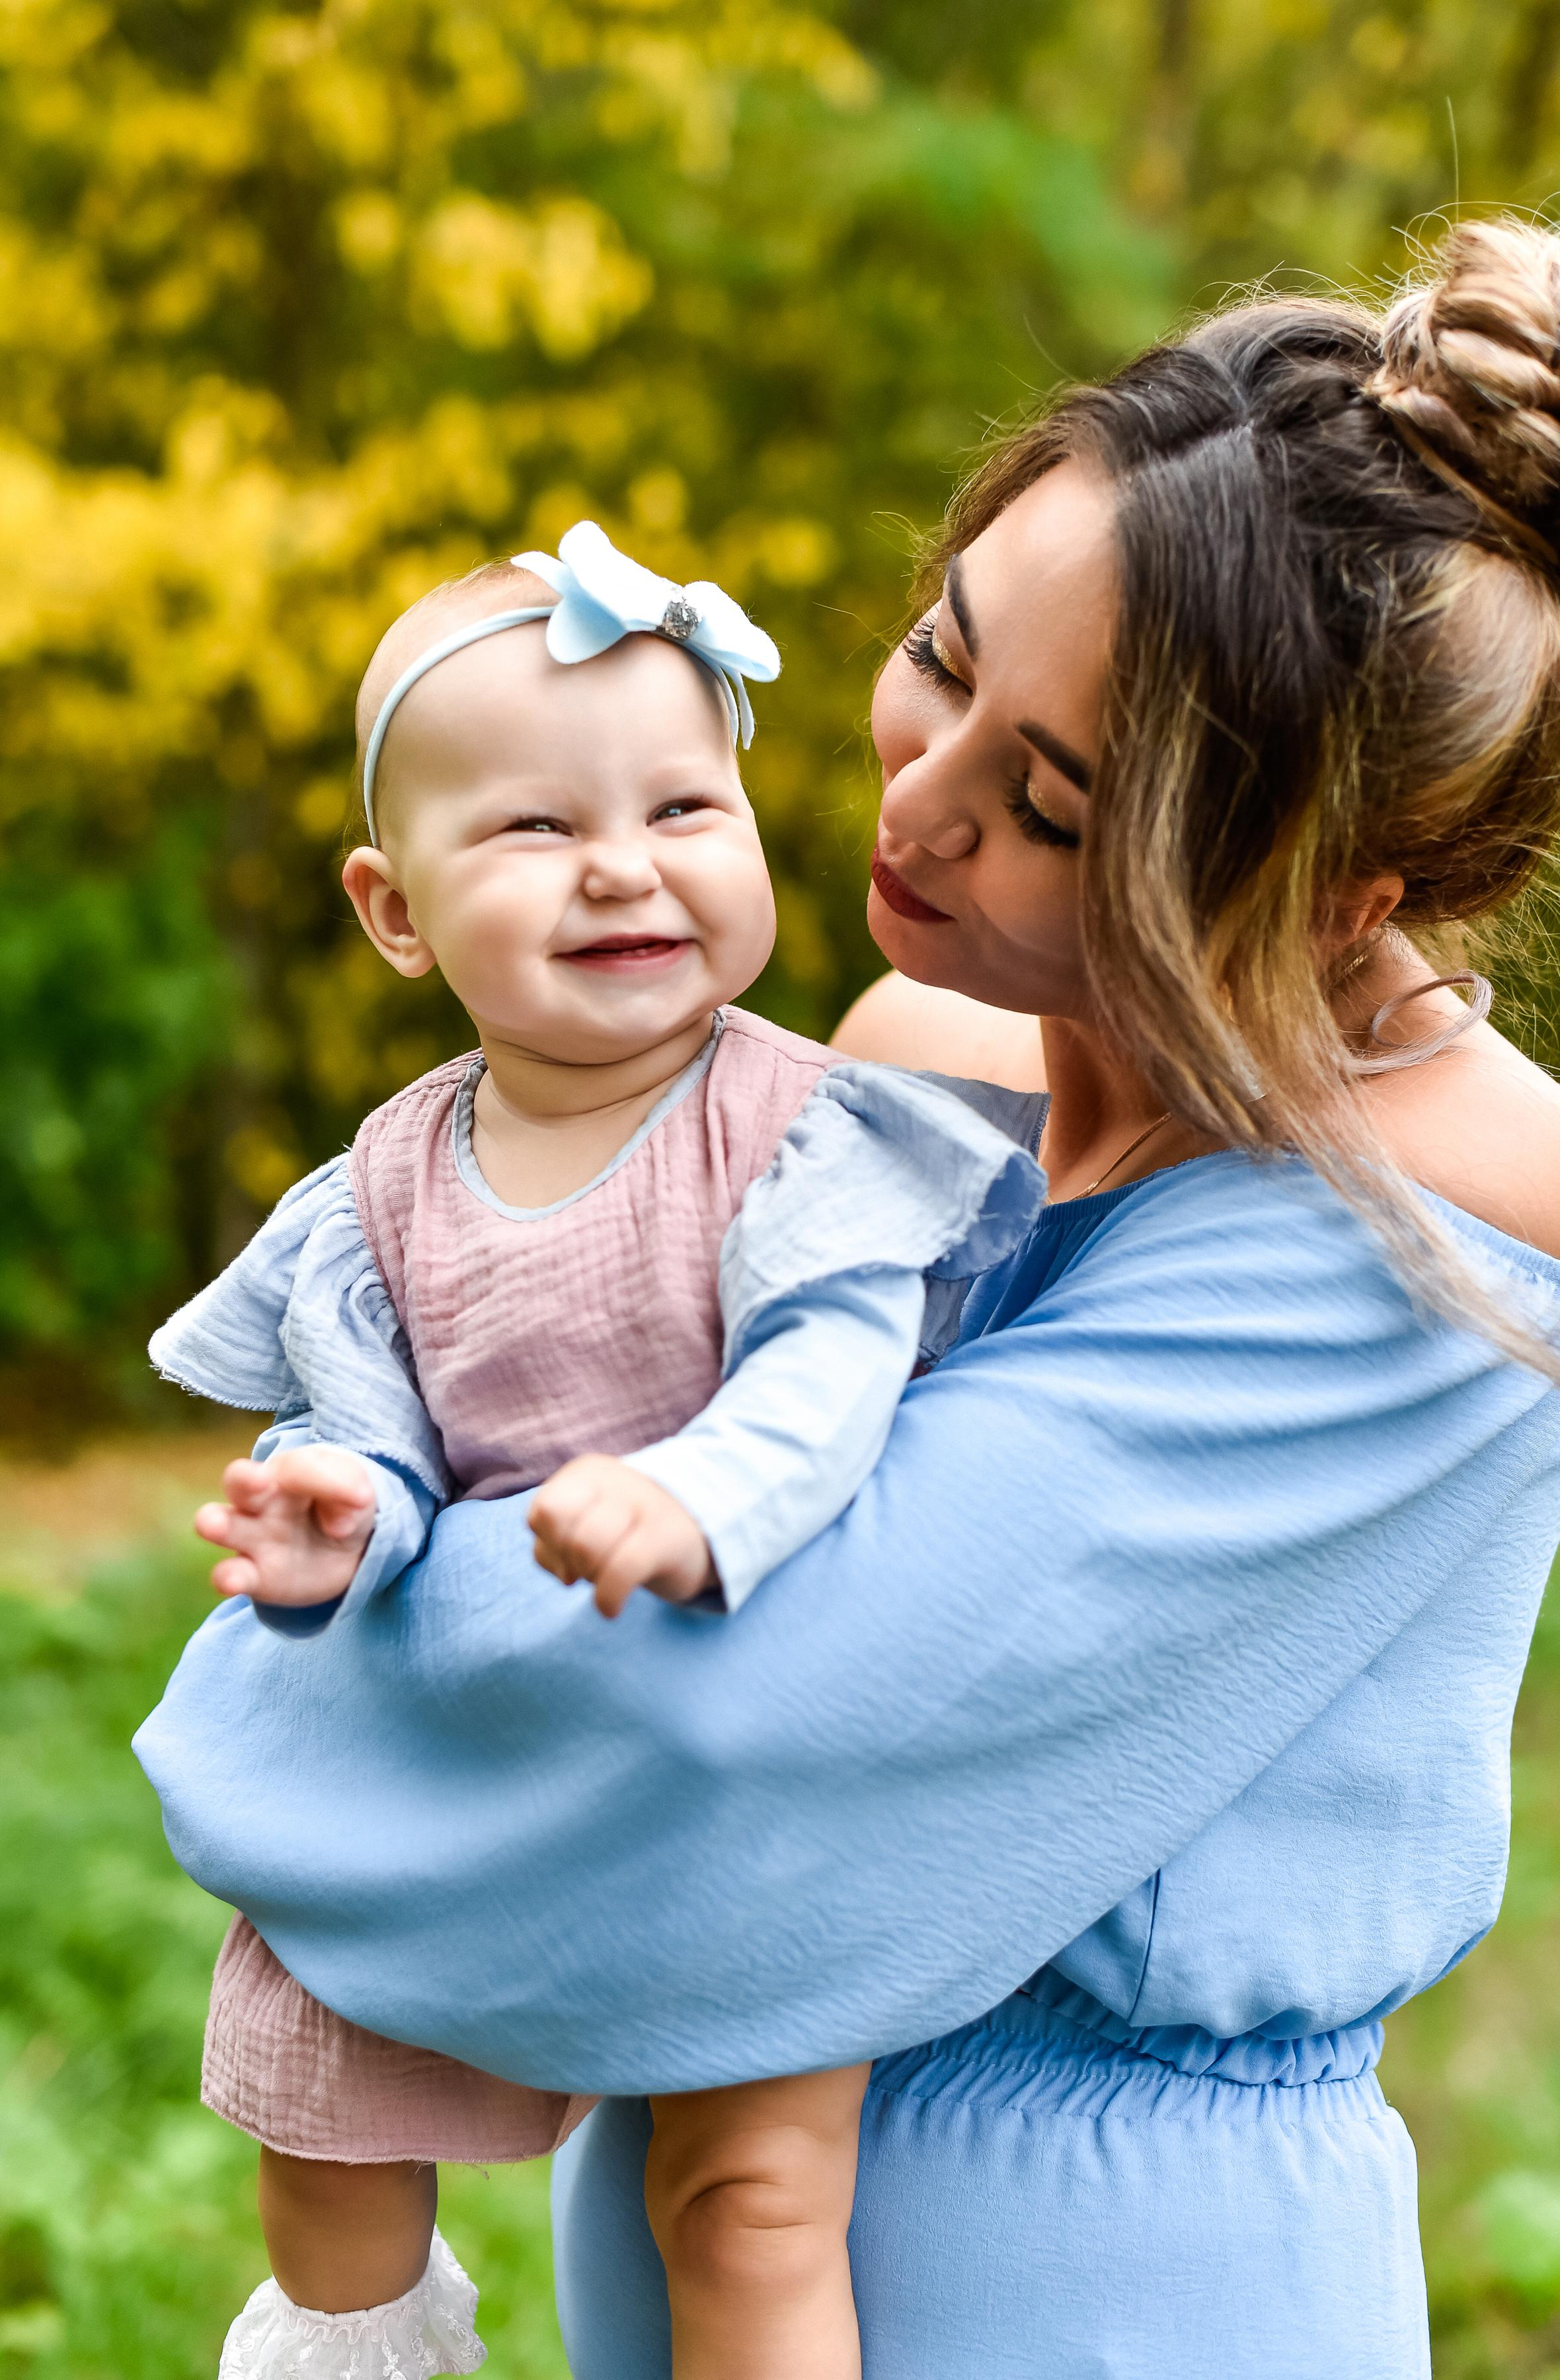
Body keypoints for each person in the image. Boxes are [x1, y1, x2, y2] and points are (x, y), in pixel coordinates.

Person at [137, 217, 1560, 2377]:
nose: (914, 800)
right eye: (942, 651)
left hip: (1096, 2294)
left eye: (1051, 802)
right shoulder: (914, 1069)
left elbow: (694, 1734)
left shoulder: (1449, 1246)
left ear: (1327, 888)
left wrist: (295, 1693)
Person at [146, 521, 1045, 2379]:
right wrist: (343, 1519)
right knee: (322, 2109)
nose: (625, 868)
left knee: (746, 2195)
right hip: (476, 1732)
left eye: (685, 810)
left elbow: (831, 1365)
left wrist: (698, 1489)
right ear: (396, 912)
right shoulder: (387, 1179)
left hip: (737, 1745)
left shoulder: (801, 1133)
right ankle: (368, 2346)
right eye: (539, 830)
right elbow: (370, 1417)